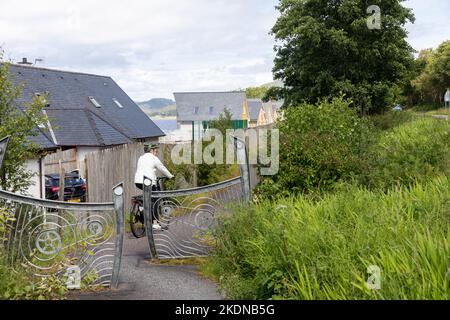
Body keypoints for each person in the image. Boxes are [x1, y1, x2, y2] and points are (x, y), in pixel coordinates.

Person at [134, 143, 174, 230]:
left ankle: (142, 207)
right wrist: (170, 176)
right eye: (155, 151)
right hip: (149, 182)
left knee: (147, 198)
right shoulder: (153, 158)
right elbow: (162, 167)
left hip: (138, 181)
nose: (156, 153)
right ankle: (155, 223)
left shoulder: (141, 158)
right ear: (151, 150)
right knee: (155, 200)